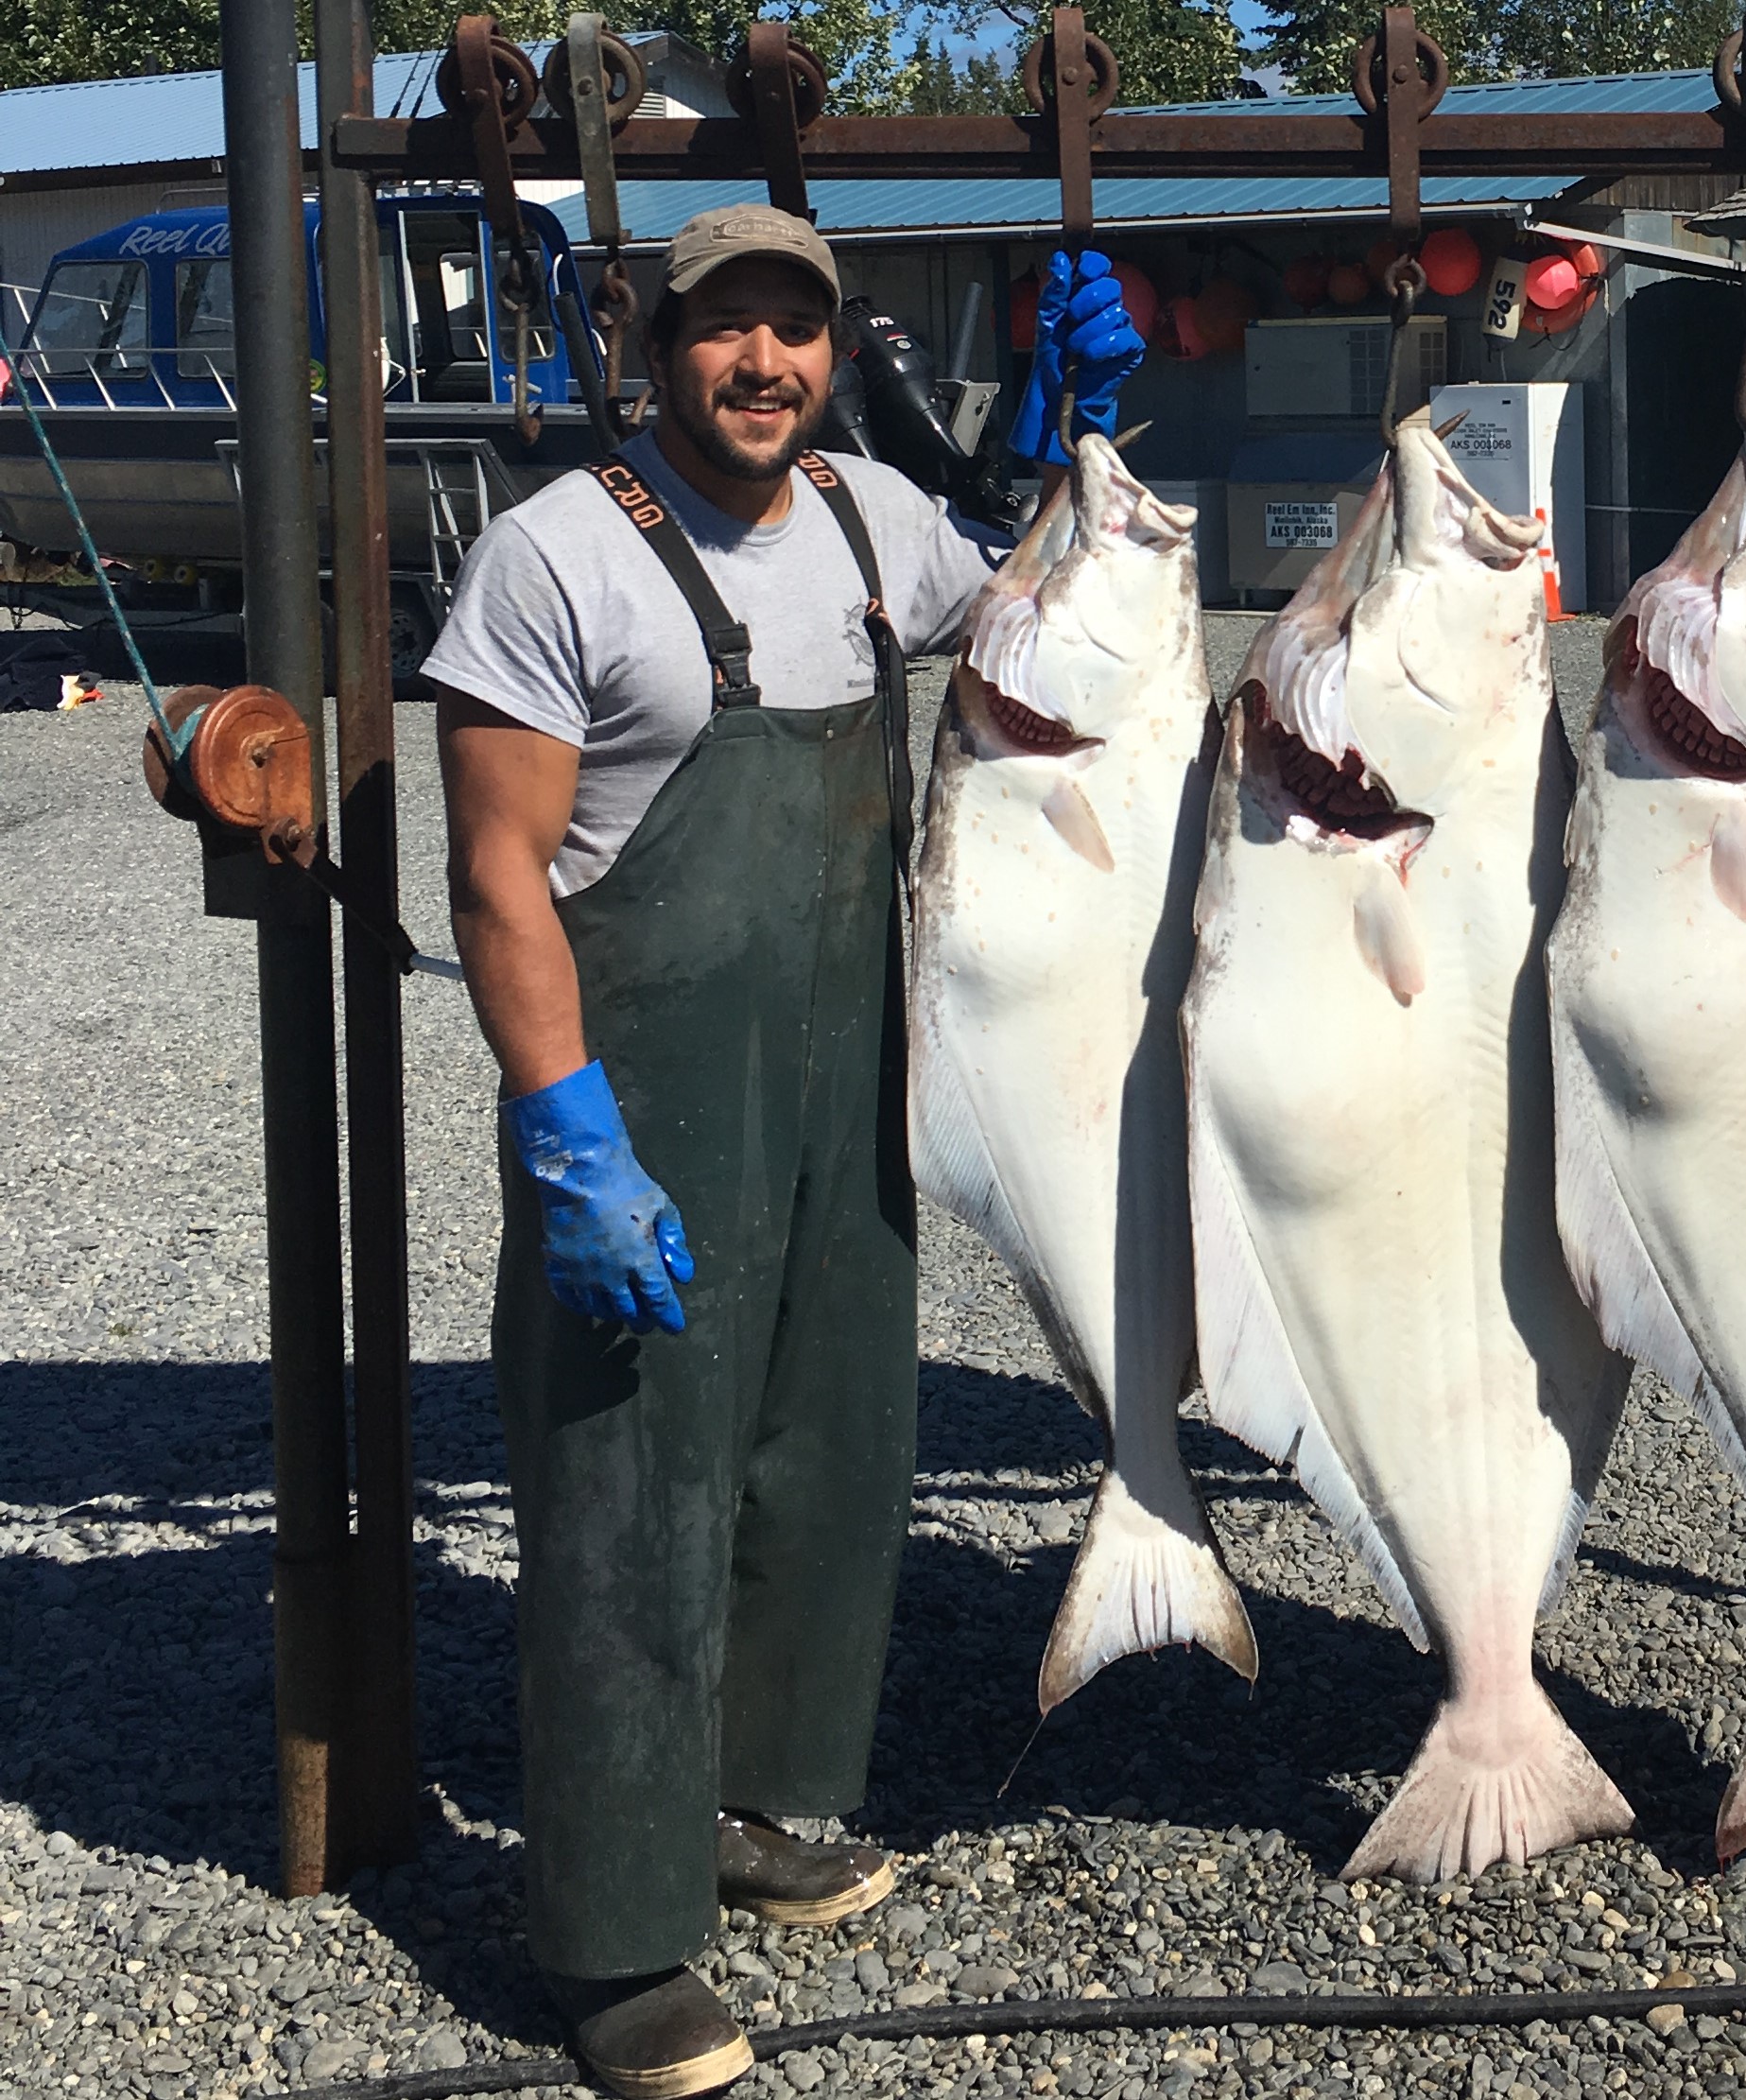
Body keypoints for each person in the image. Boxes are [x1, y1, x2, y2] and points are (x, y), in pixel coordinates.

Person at [426, 205, 1143, 2099]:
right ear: (660, 353)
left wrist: (1080, 439)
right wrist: (566, 1128)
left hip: (848, 1080)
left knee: (828, 1458)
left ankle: (755, 1807)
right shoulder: (552, 557)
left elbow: (1050, 644)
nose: (763, 366)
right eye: (726, 332)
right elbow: (498, 869)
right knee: (628, 1505)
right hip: (642, 1097)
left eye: (796, 335)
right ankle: (611, 1933)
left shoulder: (871, 523)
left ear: (837, 354)